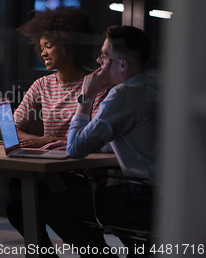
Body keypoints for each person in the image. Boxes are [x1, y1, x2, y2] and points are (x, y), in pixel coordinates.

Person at [42, 25, 160, 257]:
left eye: (104, 56)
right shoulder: (153, 88)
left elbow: (76, 150)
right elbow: (137, 140)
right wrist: (73, 139)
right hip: (170, 197)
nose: (98, 61)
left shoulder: (122, 95)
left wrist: (86, 98)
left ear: (123, 64)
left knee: (51, 205)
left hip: (145, 199)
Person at [7, 6, 109, 240]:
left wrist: (58, 144)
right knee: (17, 204)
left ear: (69, 44)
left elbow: (94, 137)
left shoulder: (94, 84)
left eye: (49, 46)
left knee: (28, 201)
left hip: (82, 174)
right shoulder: (42, 85)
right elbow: (10, 128)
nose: (42, 53)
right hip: (49, 170)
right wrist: (41, 141)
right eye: (40, 47)